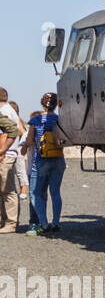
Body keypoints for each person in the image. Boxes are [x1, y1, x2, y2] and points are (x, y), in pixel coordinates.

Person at [23, 94, 70, 235]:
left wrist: (27, 145)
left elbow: (30, 141)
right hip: (58, 158)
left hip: (41, 159)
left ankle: (43, 223)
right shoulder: (60, 120)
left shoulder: (36, 120)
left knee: (35, 192)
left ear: (43, 104)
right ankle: (56, 223)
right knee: (55, 192)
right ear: (56, 104)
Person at [0, 89, 19, 233]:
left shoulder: (4, 111)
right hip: (9, 154)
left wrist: (2, 151)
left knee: (7, 190)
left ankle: (10, 223)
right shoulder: (9, 109)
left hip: (5, 156)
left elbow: (5, 133)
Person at [10, 103, 30, 201]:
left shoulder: (17, 119)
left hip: (17, 148)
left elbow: (23, 133)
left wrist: (20, 144)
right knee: (13, 170)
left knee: (19, 170)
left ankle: (23, 190)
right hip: (14, 148)